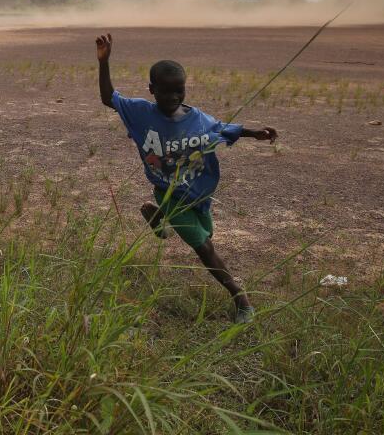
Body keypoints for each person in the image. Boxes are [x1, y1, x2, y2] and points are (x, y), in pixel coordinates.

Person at [95, 33, 277, 324]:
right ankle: (241, 299)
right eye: (165, 92)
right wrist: (104, 62)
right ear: (151, 90)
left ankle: (160, 222)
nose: (173, 97)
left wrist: (253, 132)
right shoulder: (141, 113)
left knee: (207, 234)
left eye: (179, 91)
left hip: (198, 194)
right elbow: (108, 98)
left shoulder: (198, 119)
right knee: (205, 248)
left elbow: (222, 128)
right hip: (168, 192)